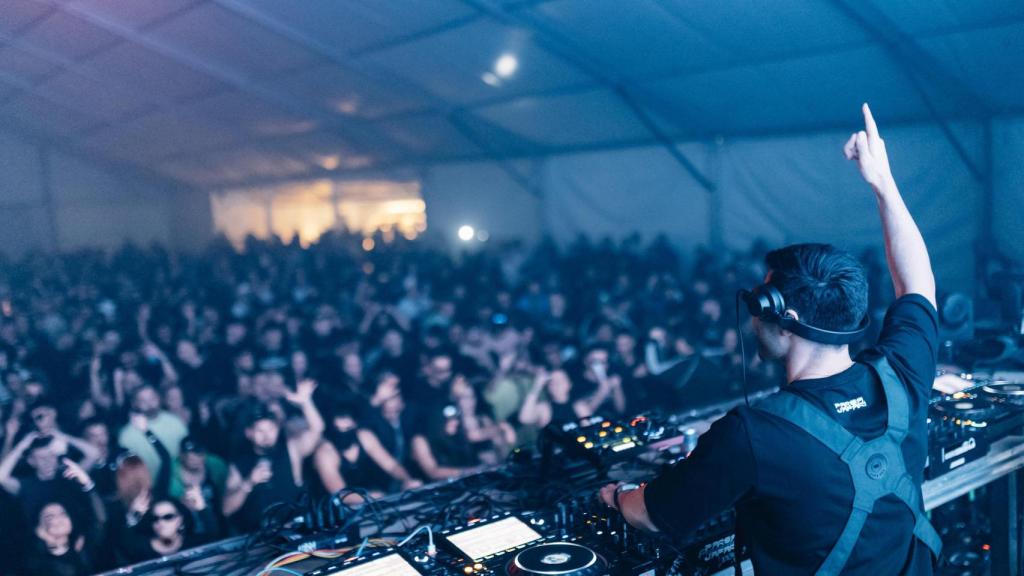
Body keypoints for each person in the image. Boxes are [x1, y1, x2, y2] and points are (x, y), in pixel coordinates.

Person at [601, 104, 956, 574]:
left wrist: (617, 495)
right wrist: (882, 181)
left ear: (780, 315)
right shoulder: (903, 373)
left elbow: (647, 515)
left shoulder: (750, 434)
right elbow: (917, 283)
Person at [222, 379, 323, 532]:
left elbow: (317, 429)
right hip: (259, 538)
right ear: (249, 433)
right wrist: (248, 483)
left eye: (270, 429)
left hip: (297, 531)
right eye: (260, 431)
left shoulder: (291, 448)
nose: (266, 435)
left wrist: (306, 402)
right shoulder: (239, 463)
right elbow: (226, 509)